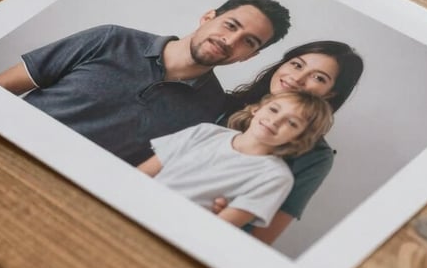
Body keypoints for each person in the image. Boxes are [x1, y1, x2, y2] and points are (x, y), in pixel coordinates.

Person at [0, 0, 292, 166]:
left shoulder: (211, 108)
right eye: (230, 24)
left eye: (248, 42)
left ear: (249, 57)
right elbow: (1, 87)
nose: (230, 40)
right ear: (207, 17)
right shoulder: (111, 38)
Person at [219, 41, 364, 243]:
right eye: (296, 64)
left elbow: (260, 239)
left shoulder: (316, 157)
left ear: (330, 93)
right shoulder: (221, 102)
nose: (297, 78)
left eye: (319, 77)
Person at [138, 90, 332, 230]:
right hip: (137, 205)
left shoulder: (276, 178)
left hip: (177, 232)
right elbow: (141, 175)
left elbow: (220, 230)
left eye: (292, 122)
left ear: (299, 137)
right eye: (274, 110)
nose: (275, 121)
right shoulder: (205, 132)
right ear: (257, 109)